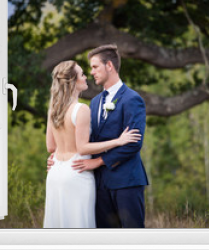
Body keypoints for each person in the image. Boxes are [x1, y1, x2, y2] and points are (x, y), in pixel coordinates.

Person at [43, 60, 141, 229]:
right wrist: (118, 141)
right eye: (82, 74)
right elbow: (82, 148)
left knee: (58, 225)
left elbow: (51, 147)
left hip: (55, 173)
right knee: (80, 225)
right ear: (73, 81)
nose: (86, 76)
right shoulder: (81, 109)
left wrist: (56, 156)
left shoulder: (53, 109)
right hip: (77, 172)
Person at [67, 44, 149, 228]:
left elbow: (133, 144)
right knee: (106, 239)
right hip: (98, 184)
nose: (92, 72)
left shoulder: (132, 99)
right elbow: (86, 140)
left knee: (132, 237)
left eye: (95, 67)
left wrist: (98, 162)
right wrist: (60, 158)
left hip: (126, 182)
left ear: (109, 66)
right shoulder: (94, 102)